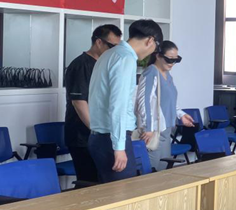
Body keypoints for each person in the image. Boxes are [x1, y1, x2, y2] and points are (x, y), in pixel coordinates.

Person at [88, 19, 162, 183]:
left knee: (109, 193)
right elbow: (118, 106)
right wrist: (119, 147)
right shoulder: (125, 58)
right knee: (123, 193)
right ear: (150, 41)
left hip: (101, 138)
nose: (153, 52)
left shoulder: (110, 54)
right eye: (156, 47)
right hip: (111, 140)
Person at [64, 24, 123, 183]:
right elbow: (79, 102)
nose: (114, 51)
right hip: (82, 136)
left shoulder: (105, 63)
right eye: (111, 46)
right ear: (99, 42)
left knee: (104, 180)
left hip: (100, 134)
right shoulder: (81, 65)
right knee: (89, 182)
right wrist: (97, 130)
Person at [134, 40, 195, 172]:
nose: (172, 63)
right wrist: (148, 127)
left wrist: (181, 115)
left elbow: (170, 101)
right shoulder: (151, 72)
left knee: (163, 169)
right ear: (158, 56)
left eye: (176, 60)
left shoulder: (168, 75)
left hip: (166, 129)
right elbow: (143, 101)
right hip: (154, 130)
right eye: (169, 59)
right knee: (151, 171)